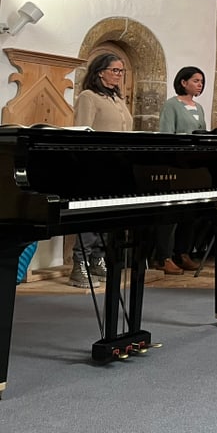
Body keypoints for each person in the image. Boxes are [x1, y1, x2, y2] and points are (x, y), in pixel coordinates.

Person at [69, 53, 134, 287]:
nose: (119, 75)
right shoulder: (89, 97)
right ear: (100, 72)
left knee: (108, 219)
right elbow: (82, 133)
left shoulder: (118, 99)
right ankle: (80, 264)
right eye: (115, 70)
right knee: (90, 217)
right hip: (95, 168)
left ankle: (98, 260)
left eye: (121, 71)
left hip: (118, 167)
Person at [154, 66, 207, 275]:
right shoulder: (171, 105)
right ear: (183, 82)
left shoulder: (199, 107)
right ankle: (164, 256)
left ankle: (183, 252)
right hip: (176, 166)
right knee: (171, 214)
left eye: (201, 81)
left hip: (194, 166)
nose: (199, 84)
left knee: (190, 212)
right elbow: (166, 134)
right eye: (195, 80)